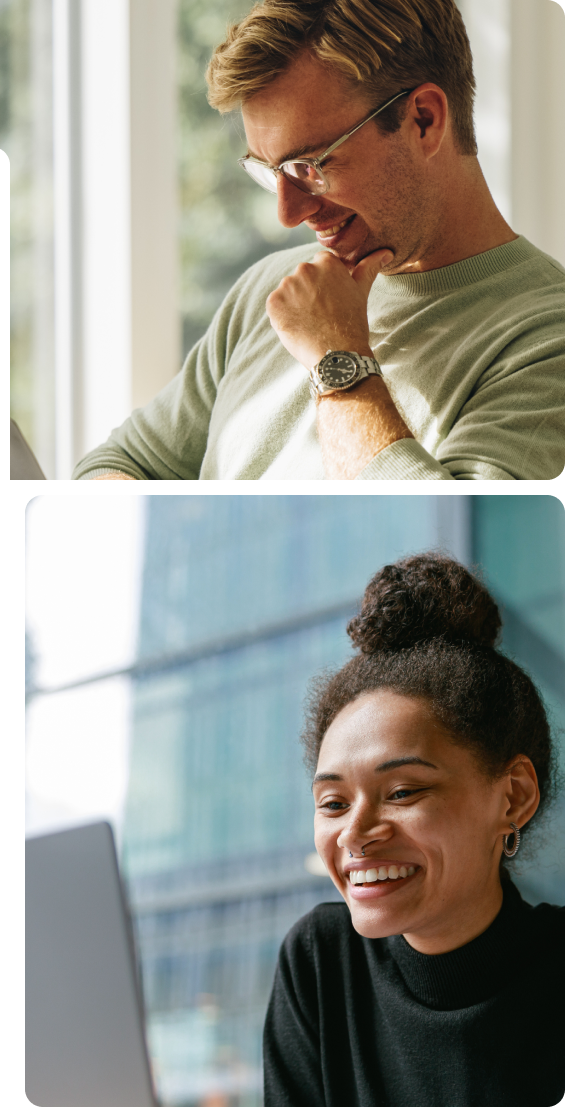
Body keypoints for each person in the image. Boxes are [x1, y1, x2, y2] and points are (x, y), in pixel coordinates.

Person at [74, 0, 565, 480]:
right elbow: (120, 462)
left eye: (309, 167)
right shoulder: (270, 290)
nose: (288, 214)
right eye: (270, 172)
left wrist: (337, 357)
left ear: (424, 120)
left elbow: (440, 553)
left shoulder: (546, 340)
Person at [262, 551, 565, 1105]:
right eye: (332, 802)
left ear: (513, 797)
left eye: (402, 792)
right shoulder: (321, 963)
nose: (355, 833)